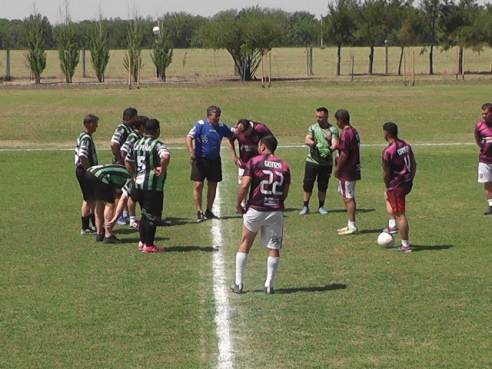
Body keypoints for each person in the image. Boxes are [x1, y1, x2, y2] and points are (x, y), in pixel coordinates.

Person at [230, 135, 291, 295]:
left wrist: (238, 203)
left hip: (256, 209)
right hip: (275, 211)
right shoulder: (284, 165)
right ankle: (269, 285)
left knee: (245, 243)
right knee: (274, 247)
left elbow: (244, 185)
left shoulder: (254, 161)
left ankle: (239, 283)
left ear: (263, 146)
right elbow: (285, 192)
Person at [125, 118, 171, 253]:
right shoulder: (157, 144)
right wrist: (162, 168)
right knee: (151, 216)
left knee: (144, 214)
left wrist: (133, 175)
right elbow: (166, 156)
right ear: (158, 130)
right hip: (152, 185)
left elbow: (128, 160)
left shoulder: (136, 143)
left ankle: (142, 242)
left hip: (138, 183)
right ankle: (149, 245)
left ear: (145, 130)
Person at [186, 105, 235, 222]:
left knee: (213, 184)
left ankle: (209, 210)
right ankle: (199, 211)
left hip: (215, 160)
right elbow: (189, 137)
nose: (217, 118)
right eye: (215, 116)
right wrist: (192, 152)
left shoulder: (222, 127)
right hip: (200, 159)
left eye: (219, 116)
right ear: (209, 116)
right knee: (198, 185)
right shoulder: (201, 125)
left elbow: (233, 133)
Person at [381, 122, 417, 252]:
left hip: (397, 185)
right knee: (386, 196)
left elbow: (386, 173)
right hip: (407, 182)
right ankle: (392, 225)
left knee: (400, 214)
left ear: (386, 134)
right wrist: (411, 178)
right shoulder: (406, 145)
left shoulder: (388, 151)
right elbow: (413, 163)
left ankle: (405, 245)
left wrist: (388, 185)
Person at [299, 107, 339, 215]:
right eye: (317, 116)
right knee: (308, 184)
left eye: (320, 117)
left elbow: (335, 144)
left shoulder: (333, 130)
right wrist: (317, 145)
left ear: (326, 117)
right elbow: (307, 140)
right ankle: (305, 206)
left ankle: (321, 206)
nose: (318, 119)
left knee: (323, 185)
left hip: (326, 163)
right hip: (312, 161)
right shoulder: (313, 128)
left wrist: (329, 150)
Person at [228, 118, 273, 208]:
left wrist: (268, 157)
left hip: (259, 162)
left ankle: (259, 202)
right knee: (244, 184)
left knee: (259, 184)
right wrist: (235, 157)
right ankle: (243, 204)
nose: (243, 135)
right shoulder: (237, 130)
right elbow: (230, 140)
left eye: (245, 133)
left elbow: (271, 141)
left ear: (249, 128)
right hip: (244, 162)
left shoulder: (260, 128)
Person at [85, 164, 132, 243]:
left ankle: (99, 233)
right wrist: (116, 218)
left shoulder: (126, 173)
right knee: (110, 204)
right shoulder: (131, 179)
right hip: (99, 175)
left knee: (99, 203)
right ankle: (108, 235)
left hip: (89, 172)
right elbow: (122, 199)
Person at [333, 109, 361, 235]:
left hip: (347, 171)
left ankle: (352, 225)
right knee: (348, 196)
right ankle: (350, 224)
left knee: (348, 198)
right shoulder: (353, 131)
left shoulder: (345, 134)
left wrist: (338, 169)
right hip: (353, 169)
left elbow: (344, 154)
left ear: (340, 120)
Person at [111, 107, 138, 225]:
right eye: (136, 117)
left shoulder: (130, 128)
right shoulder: (121, 129)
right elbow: (114, 144)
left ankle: (125, 214)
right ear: (130, 118)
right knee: (119, 191)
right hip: (121, 164)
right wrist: (121, 161)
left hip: (128, 163)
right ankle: (120, 216)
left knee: (127, 190)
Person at [74, 114, 99, 236]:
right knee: (88, 199)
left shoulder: (84, 136)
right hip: (84, 171)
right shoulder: (86, 138)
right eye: (95, 124)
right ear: (89, 124)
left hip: (83, 170)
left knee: (92, 199)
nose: (97, 127)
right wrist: (88, 169)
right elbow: (82, 155)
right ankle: (85, 228)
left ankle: (93, 225)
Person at [121, 115, 147, 229]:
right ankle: (132, 219)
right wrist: (128, 167)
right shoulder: (133, 136)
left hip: (137, 170)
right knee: (133, 194)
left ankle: (135, 217)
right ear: (142, 126)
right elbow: (124, 150)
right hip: (133, 171)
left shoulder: (139, 136)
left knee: (136, 194)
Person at [474, 102, 492, 215]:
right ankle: (491, 205)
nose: (484, 116)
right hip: (485, 160)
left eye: (486, 114)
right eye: (482, 114)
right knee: (487, 182)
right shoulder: (479, 125)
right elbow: (477, 139)